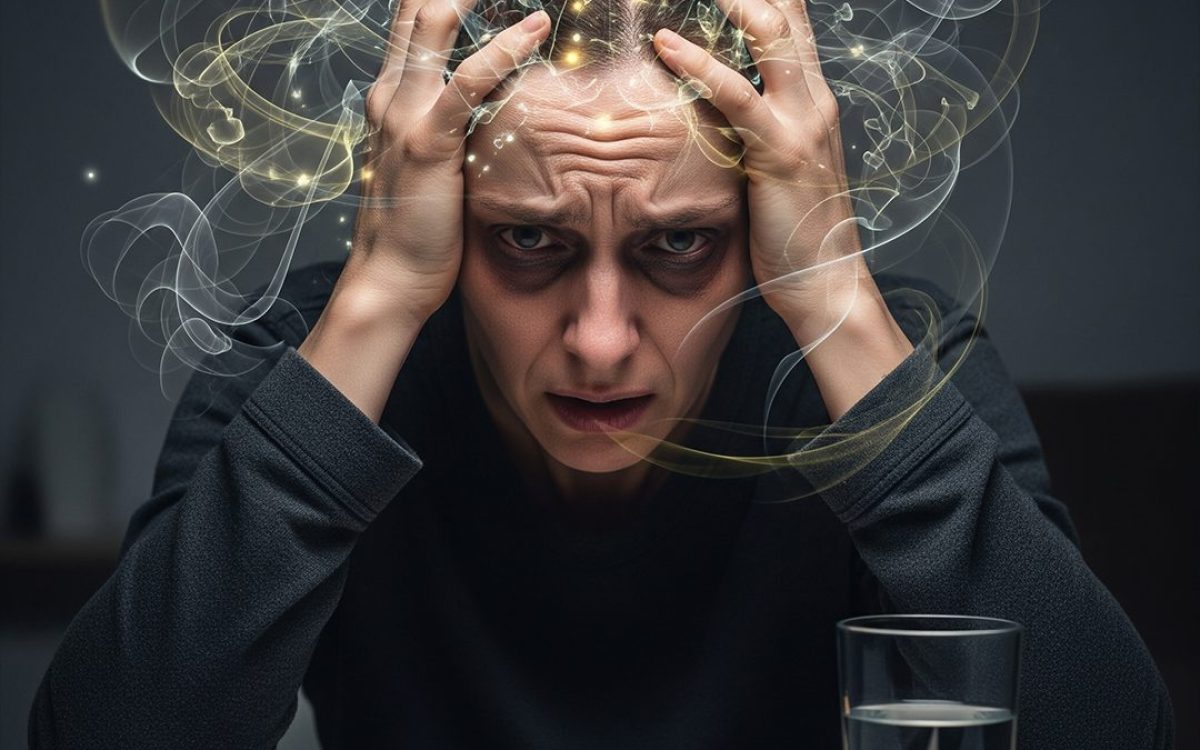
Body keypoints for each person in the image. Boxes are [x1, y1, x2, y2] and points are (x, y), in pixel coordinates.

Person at [31, 0, 1173, 747]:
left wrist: (832, 295)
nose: (600, 340)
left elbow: (1117, 733)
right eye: (530, 241)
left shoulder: (887, 359)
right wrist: (376, 295)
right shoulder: (312, 361)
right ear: (446, 223)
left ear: (762, 223)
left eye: (679, 244)